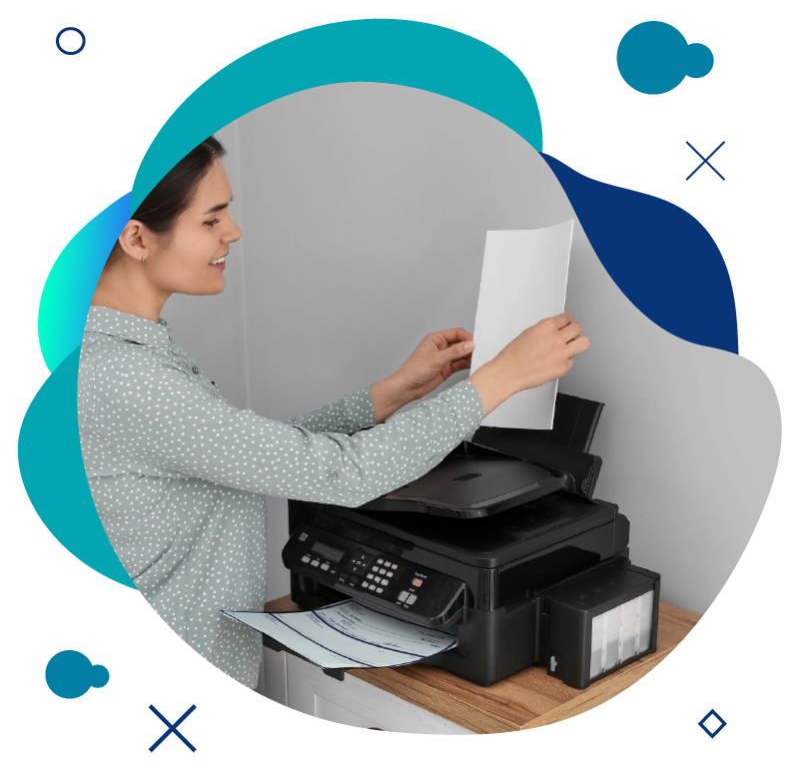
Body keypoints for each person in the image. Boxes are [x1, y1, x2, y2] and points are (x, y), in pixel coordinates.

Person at [79, 136, 590, 691]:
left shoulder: (122, 351)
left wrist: (389, 394)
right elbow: (344, 474)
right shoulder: (128, 378)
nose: (234, 231)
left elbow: (243, 454)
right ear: (136, 238)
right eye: (212, 219)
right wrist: (503, 378)